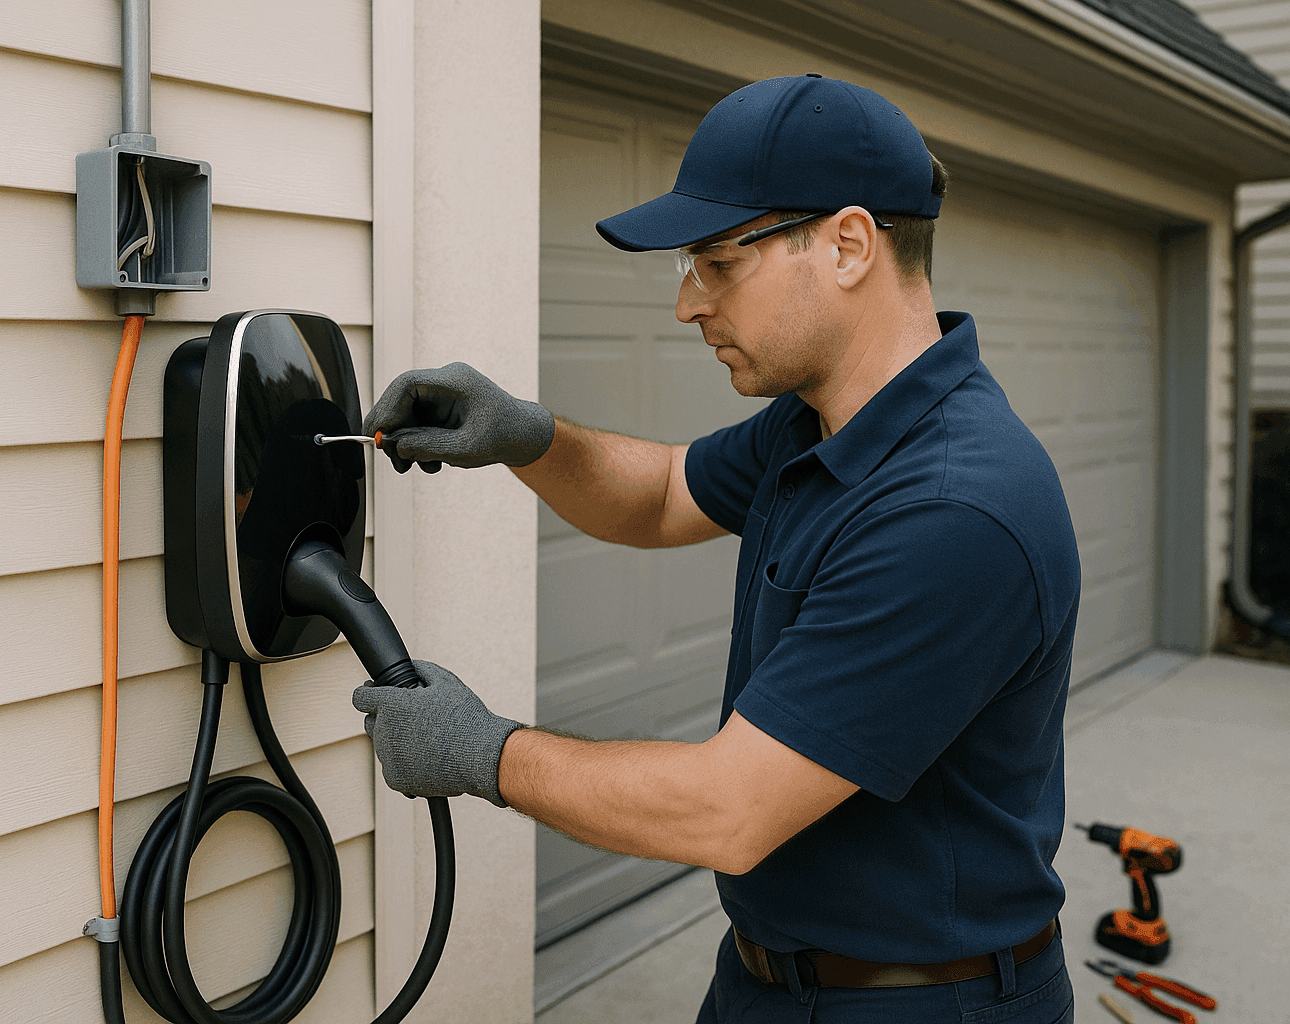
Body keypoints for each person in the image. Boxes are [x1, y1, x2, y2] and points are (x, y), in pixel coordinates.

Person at [352, 74, 1080, 1023]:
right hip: (770, 978)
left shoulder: (953, 509)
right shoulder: (818, 424)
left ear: (849, 244)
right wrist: (523, 435)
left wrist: (482, 752)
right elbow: (658, 496)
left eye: (716, 263)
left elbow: (725, 809)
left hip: (921, 1003)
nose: (689, 304)